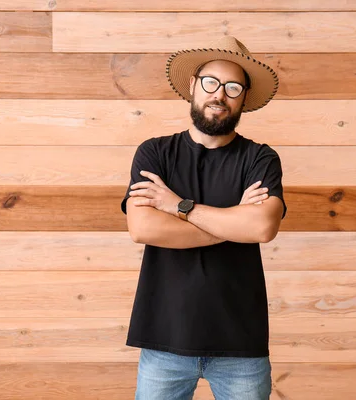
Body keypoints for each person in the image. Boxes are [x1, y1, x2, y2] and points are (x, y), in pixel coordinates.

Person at [120, 36, 287, 400]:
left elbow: (261, 227)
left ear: (243, 97)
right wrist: (232, 223)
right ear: (194, 85)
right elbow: (143, 228)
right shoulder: (154, 153)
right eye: (211, 83)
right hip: (164, 340)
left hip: (241, 345)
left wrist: (182, 207)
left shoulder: (260, 159)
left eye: (233, 87)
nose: (219, 95)